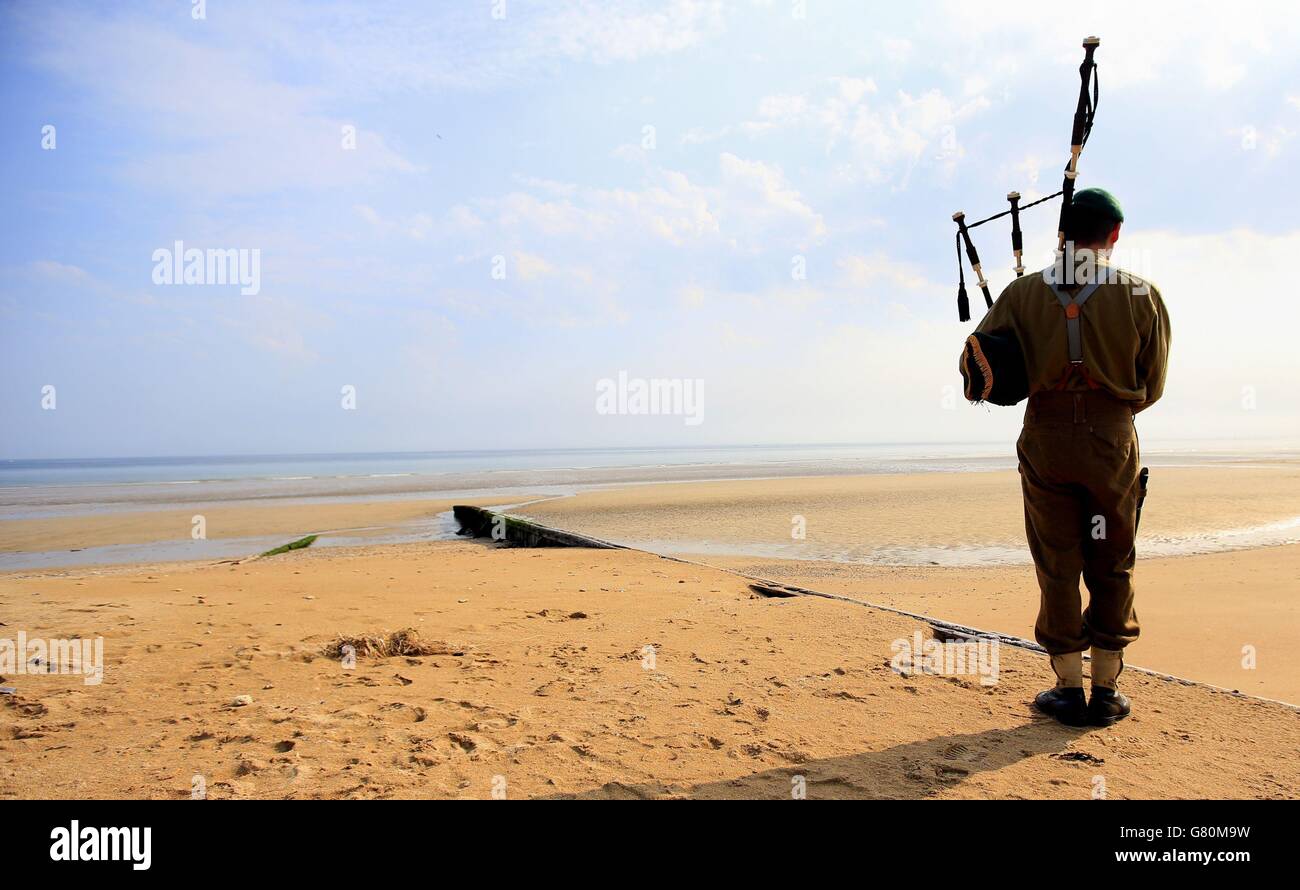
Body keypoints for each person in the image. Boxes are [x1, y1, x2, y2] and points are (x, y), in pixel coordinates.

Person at [973, 187, 1171, 726]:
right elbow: (1152, 385)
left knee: (1057, 560)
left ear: (1062, 233)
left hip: (1046, 437)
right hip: (1111, 440)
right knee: (1113, 556)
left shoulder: (1021, 294)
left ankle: (1066, 688)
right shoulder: (1140, 294)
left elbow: (979, 369)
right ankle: (1106, 689)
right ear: (1113, 235)